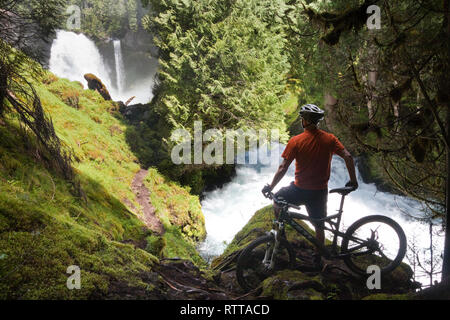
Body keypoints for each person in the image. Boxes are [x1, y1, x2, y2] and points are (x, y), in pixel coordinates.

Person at [262, 104, 358, 266]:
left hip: (298, 190)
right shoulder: (330, 139)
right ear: (317, 121)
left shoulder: (296, 141)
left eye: (302, 118)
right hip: (319, 192)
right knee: (319, 225)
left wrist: (270, 187)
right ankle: (317, 257)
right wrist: (353, 181)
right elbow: (348, 157)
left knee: (277, 199)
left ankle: (281, 238)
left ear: (304, 121)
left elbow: (283, 168)